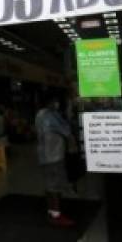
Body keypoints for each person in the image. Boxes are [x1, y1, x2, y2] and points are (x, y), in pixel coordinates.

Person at [35, 94, 76, 227]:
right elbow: (66, 130)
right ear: (51, 102)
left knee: (50, 185)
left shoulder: (40, 114)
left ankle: (52, 212)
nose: (57, 104)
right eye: (55, 101)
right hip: (54, 156)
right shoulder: (50, 116)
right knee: (55, 187)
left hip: (45, 155)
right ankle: (56, 216)